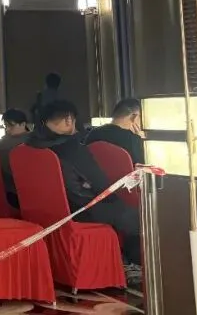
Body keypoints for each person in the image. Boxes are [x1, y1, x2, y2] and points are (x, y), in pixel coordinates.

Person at [28, 100, 142, 273]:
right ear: (69, 120)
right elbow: (101, 185)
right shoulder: (71, 147)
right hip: (80, 209)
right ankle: (135, 266)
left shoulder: (30, 147)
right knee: (138, 218)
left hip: (48, 212)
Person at [86, 98, 145, 164]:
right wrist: (140, 140)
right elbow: (143, 166)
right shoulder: (133, 140)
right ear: (134, 117)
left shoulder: (93, 133)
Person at [0, 109, 29, 207]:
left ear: (23, 124)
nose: (7, 129)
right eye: (6, 126)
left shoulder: (2, 145)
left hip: (12, 192)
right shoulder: (36, 140)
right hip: (16, 191)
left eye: (11, 126)